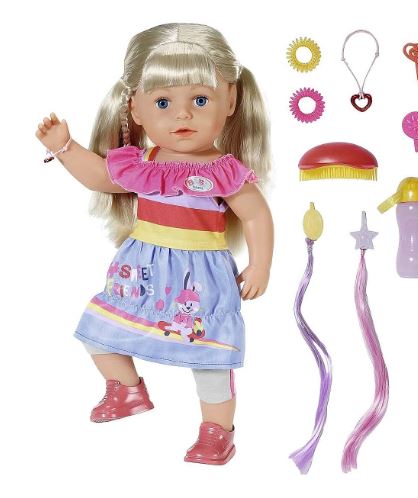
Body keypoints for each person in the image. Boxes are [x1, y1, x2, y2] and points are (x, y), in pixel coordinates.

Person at [35, 23, 273, 466]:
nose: (182, 116)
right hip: (141, 273)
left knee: (210, 359)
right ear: (136, 109)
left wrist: (260, 266)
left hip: (200, 281)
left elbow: (256, 214)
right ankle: (126, 390)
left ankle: (216, 431)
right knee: (98, 330)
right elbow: (100, 177)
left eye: (199, 100)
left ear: (231, 101)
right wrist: (65, 146)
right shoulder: (140, 163)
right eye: (163, 102)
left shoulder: (223, 171)